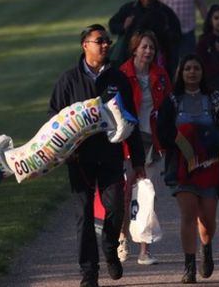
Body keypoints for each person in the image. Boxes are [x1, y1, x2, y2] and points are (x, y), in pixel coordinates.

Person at [49, 25, 146, 287]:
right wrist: (58, 154)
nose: (106, 45)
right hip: (78, 159)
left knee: (115, 208)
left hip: (111, 155)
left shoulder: (118, 79)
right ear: (85, 45)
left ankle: (110, 246)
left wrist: (138, 162)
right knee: (84, 215)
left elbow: (131, 120)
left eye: (107, 41)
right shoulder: (68, 81)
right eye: (99, 41)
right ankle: (89, 273)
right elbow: (53, 121)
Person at [157, 55, 219, 283]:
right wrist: (183, 139)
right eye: (188, 69)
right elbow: (163, 132)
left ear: (203, 73)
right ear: (181, 73)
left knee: (208, 219)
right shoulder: (172, 100)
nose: (192, 72)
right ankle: (189, 266)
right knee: (188, 214)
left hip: (210, 167)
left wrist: (208, 140)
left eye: (196, 68)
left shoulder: (215, 99)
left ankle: (207, 247)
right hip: (182, 167)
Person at [118, 30, 171, 265]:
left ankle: (144, 250)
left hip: (151, 140)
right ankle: (121, 238)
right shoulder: (121, 74)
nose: (148, 51)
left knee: (148, 195)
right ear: (134, 49)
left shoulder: (160, 76)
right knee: (124, 193)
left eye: (151, 48)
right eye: (144, 47)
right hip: (127, 139)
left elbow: (168, 108)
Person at [109, 0, 183, 75]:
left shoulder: (165, 12)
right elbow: (112, 25)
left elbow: (177, 34)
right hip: (130, 59)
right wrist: (123, 27)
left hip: (158, 59)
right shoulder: (129, 9)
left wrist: (164, 34)